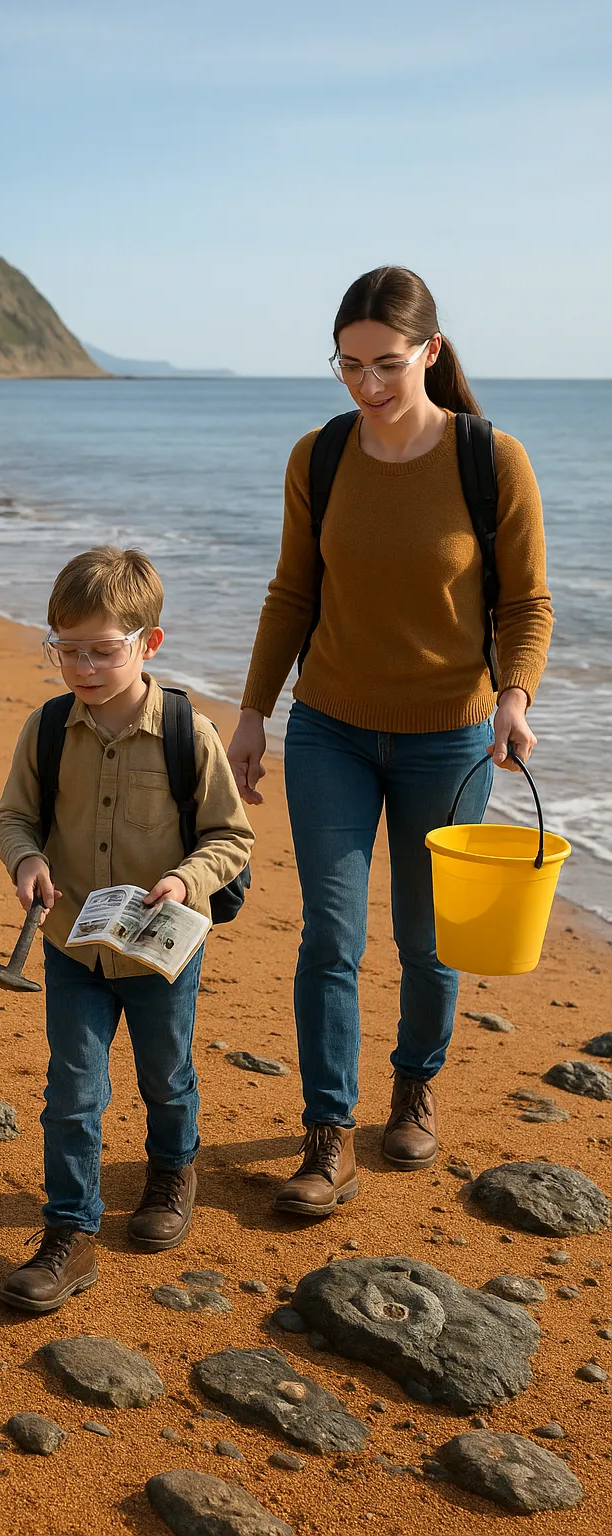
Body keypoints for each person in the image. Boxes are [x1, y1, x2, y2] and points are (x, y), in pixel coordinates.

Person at [228, 266, 552, 1218]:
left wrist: (514, 697)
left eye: (387, 365)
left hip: (449, 741)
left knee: (427, 938)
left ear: (431, 354)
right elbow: (292, 592)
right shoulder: (319, 457)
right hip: (327, 726)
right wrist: (251, 714)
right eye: (349, 365)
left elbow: (525, 603)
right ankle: (328, 1133)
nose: (367, 385)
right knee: (329, 935)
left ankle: (413, 1088)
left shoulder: (492, 460)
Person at [0, 547, 253, 1312]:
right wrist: (28, 860)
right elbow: (12, 818)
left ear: (149, 643)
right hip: (72, 943)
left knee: (165, 1077)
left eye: (101, 651)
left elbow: (231, 838)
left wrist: (185, 880)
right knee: (72, 1091)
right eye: (65, 649)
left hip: (164, 951)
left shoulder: (187, 732)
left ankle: (173, 1169)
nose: (81, 666)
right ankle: (69, 1233)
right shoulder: (46, 729)